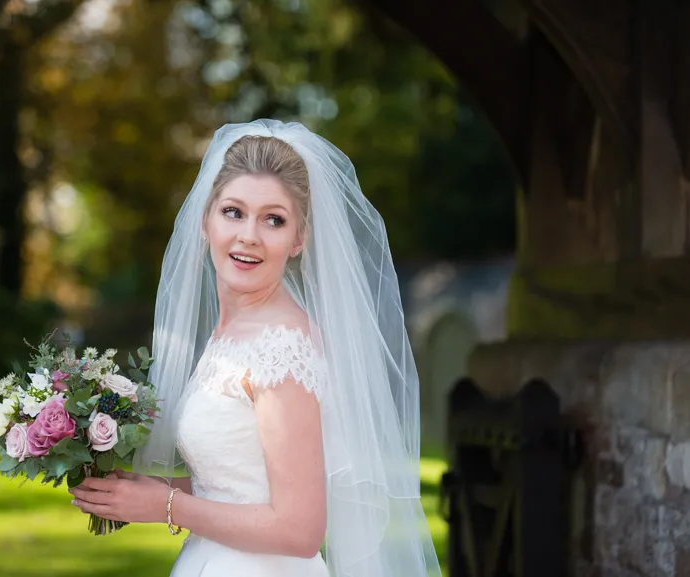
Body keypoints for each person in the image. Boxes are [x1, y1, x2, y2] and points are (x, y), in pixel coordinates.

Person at [68, 119, 441, 577]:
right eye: (233, 212)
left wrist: (167, 506)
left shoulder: (283, 348)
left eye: (273, 219)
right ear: (205, 219)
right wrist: (139, 489)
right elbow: (237, 483)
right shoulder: (234, 332)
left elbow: (299, 530)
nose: (249, 235)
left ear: (299, 239)